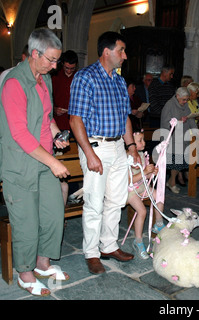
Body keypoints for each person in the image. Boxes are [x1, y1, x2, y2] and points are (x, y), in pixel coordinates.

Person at [0, 28, 70, 297]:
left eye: (57, 61)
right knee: (26, 223)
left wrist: (56, 135)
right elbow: (19, 134)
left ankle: (43, 263)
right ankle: (25, 273)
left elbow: (47, 116)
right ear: (34, 54)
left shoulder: (44, 79)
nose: (55, 66)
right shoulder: (14, 83)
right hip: (20, 164)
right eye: (51, 60)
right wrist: (53, 162)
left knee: (53, 214)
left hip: (43, 160)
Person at [69, 31, 137, 275]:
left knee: (116, 201)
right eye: (121, 50)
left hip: (118, 146)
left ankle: (108, 245)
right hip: (96, 146)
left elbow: (125, 118)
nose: (125, 56)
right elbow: (75, 120)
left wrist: (131, 147)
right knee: (94, 204)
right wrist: (89, 153)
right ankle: (92, 253)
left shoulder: (119, 80)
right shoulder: (85, 77)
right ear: (106, 51)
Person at [127, 126, 165, 259]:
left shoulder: (143, 155)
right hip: (130, 191)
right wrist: (145, 173)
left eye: (143, 140)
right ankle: (138, 241)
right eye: (140, 140)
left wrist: (151, 173)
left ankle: (158, 224)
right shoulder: (127, 158)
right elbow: (128, 180)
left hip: (142, 187)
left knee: (159, 194)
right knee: (142, 211)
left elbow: (145, 177)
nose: (143, 143)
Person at [160, 87, 198, 194]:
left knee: (180, 163)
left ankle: (171, 181)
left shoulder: (185, 105)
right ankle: (172, 183)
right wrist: (179, 121)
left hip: (183, 137)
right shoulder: (169, 105)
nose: (185, 102)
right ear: (177, 96)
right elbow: (165, 123)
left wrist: (196, 131)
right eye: (183, 100)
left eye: (187, 99)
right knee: (175, 162)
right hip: (172, 138)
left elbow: (190, 119)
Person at [52, 50, 78, 131]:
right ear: (62, 64)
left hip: (75, 123)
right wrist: (54, 109)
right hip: (58, 122)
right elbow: (48, 97)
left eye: (72, 68)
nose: (69, 71)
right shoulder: (54, 77)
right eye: (67, 68)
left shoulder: (79, 77)